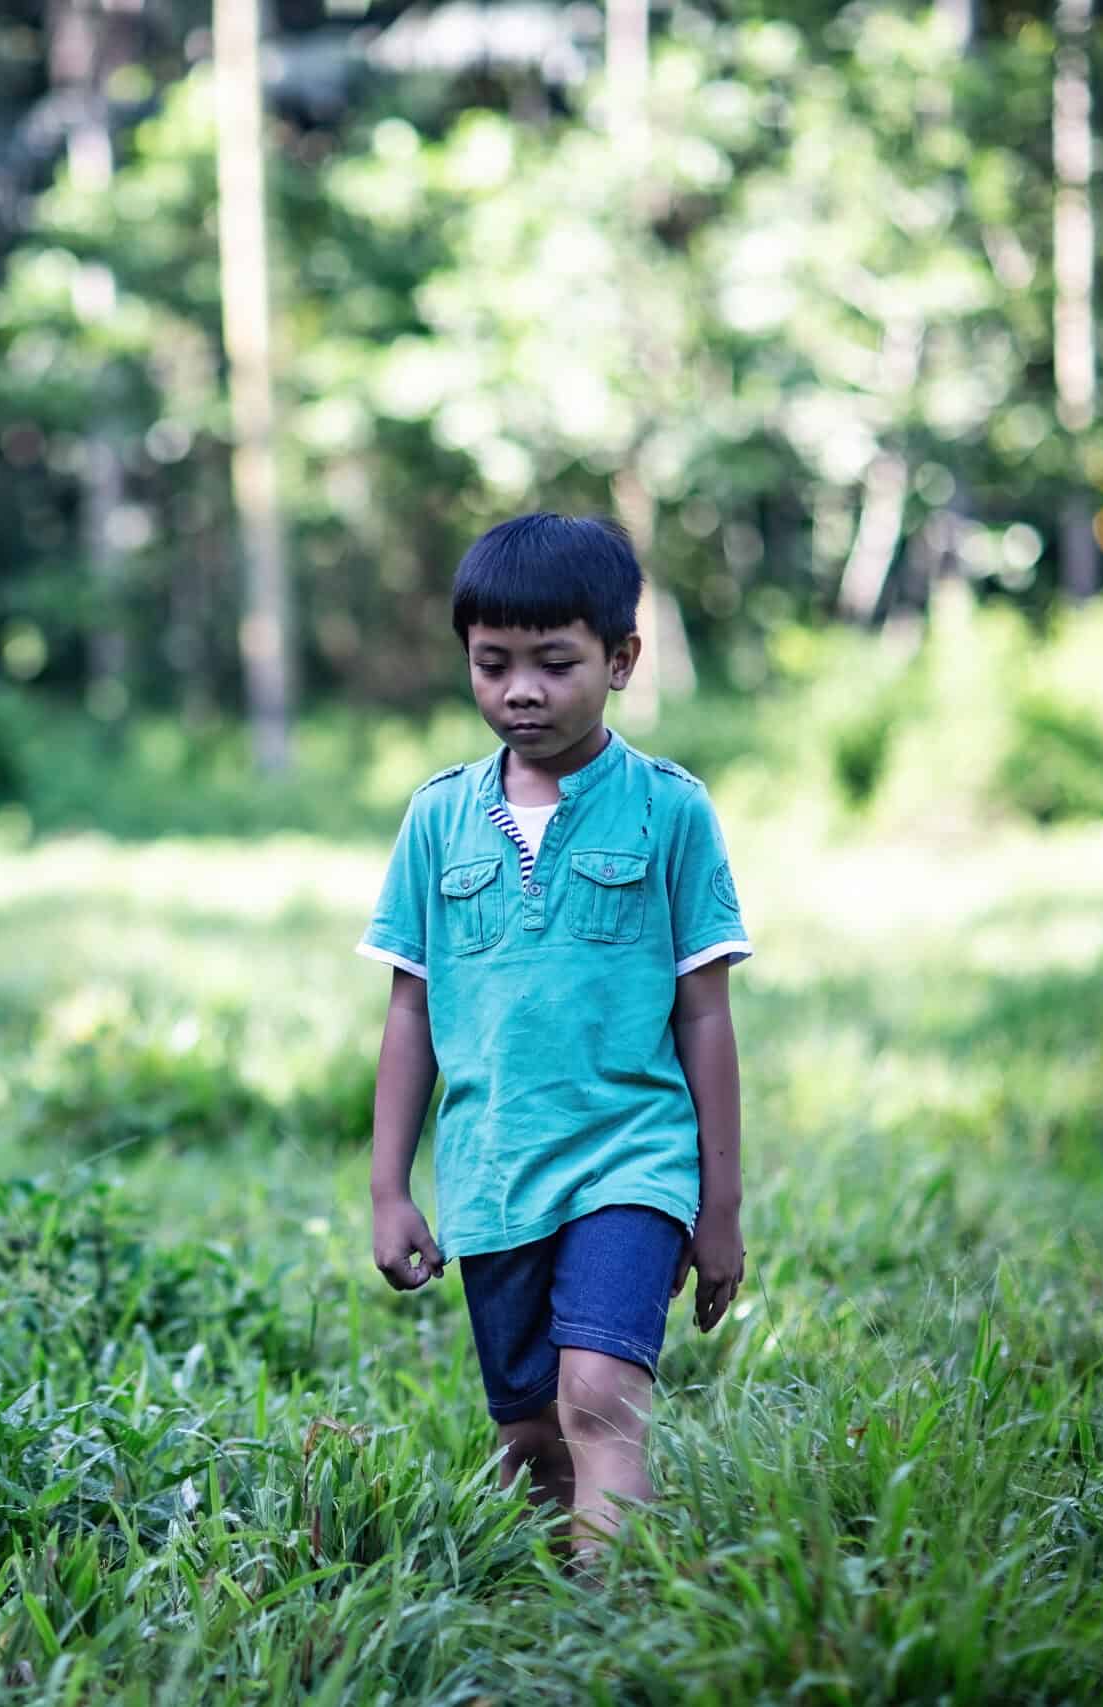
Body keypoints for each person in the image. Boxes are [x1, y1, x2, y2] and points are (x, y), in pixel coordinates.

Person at [356, 512, 750, 1564]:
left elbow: (705, 1014)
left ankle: (620, 1637)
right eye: (492, 664)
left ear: (621, 660)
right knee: (530, 1436)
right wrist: (390, 1186)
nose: (519, 689)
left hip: (633, 1159)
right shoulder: (436, 820)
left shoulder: (671, 813)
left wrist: (718, 1205)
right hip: (493, 1175)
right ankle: (538, 1618)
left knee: (600, 1399)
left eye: (554, 663)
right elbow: (409, 1014)